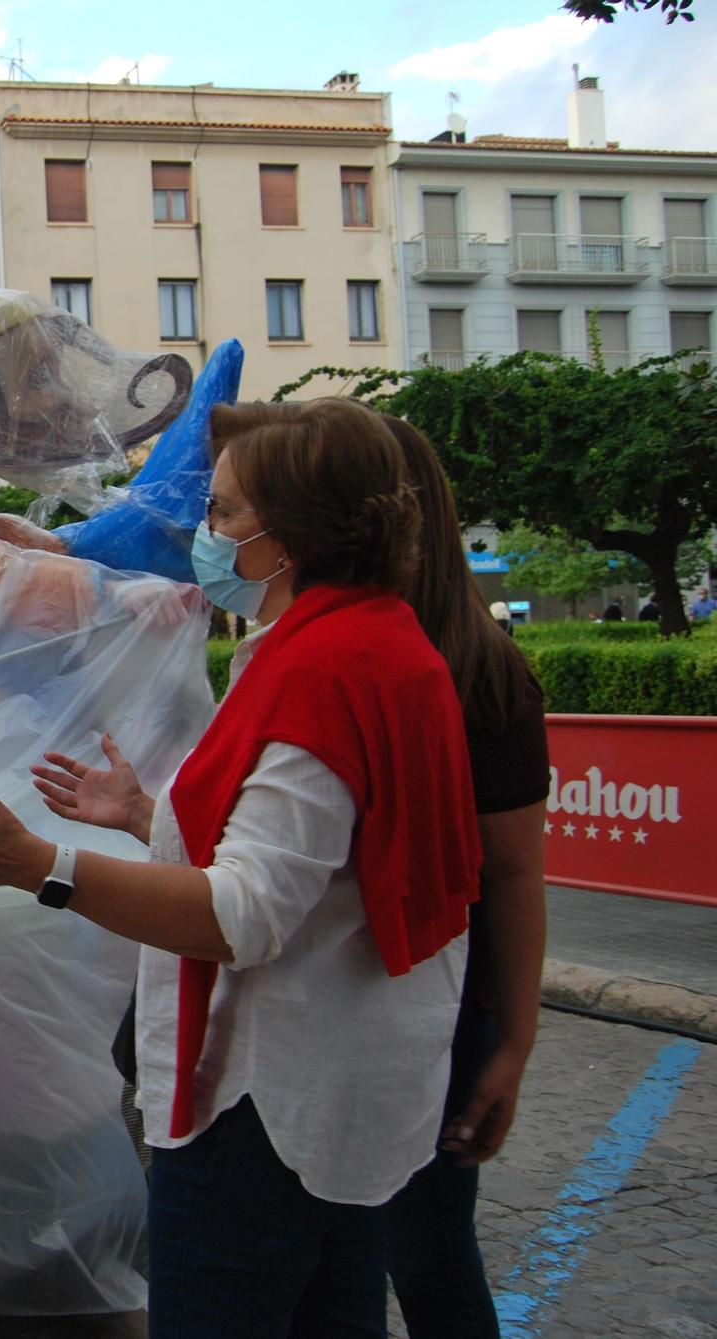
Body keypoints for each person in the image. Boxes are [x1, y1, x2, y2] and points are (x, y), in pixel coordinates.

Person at [0, 398, 481, 1338]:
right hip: (347, 1099)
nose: (208, 530)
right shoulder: (380, 644)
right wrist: (150, 819)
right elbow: (324, 867)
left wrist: (38, 863)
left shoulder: (320, 670)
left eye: (228, 513)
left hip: (268, 1115)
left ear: (292, 535)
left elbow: (244, 914)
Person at [378, 414, 549, 1337]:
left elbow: (517, 875)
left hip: (440, 1015)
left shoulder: (479, 672)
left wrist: (511, 1044)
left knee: (429, 1253)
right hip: (355, 1011)